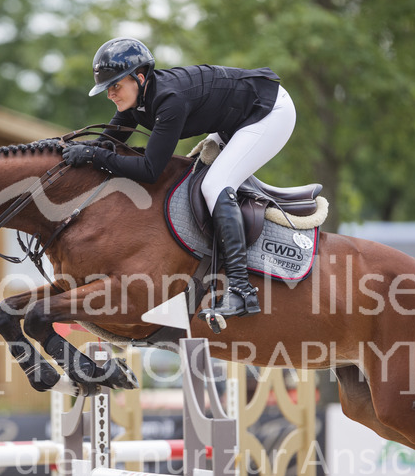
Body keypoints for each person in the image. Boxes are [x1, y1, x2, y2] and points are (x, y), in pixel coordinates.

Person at [62, 37, 297, 320]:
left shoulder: (169, 100)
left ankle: (241, 290)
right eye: (107, 89)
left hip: (268, 112)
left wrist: (92, 155)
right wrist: (62, 150)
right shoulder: (138, 99)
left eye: (115, 86)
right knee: (197, 181)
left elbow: (150, 171)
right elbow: (106, 143)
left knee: (215, 185)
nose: (110, 94)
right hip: (236, 119)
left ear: (139, 77)